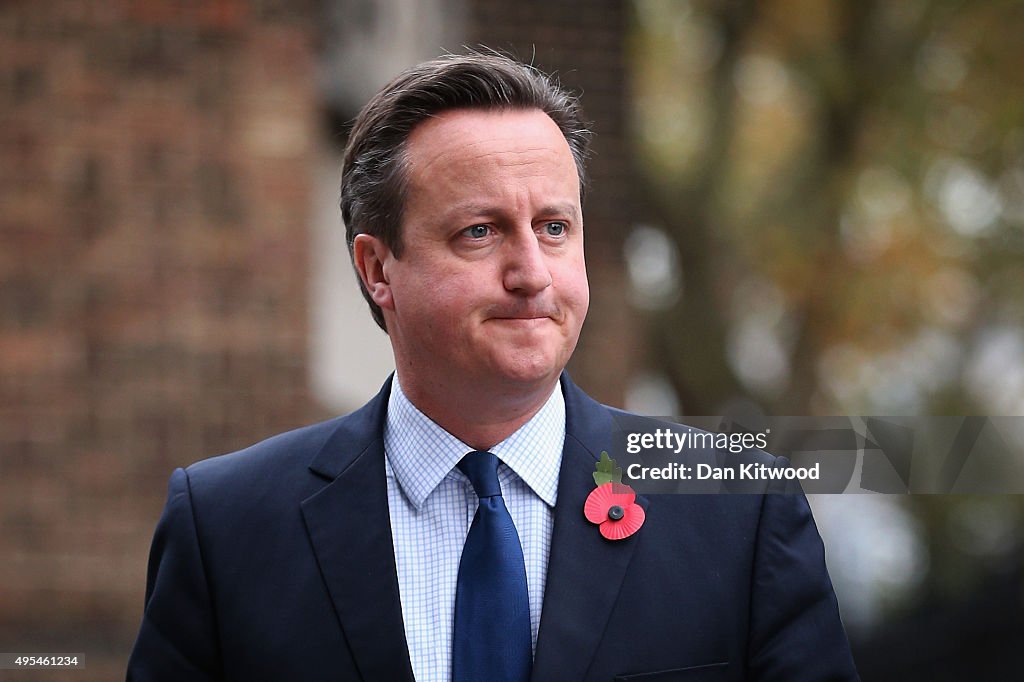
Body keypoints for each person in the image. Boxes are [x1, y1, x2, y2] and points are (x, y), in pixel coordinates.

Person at [128, 52, 859, 681]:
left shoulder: (739, 510)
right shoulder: (226, 529)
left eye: (553, 228)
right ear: (378, 267)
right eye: (480, 232)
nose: (532, 274)